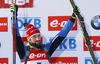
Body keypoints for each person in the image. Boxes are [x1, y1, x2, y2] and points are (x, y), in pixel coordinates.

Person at [10, 4, 79, 64]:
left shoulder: (46, 49)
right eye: (34, 36)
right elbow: (16, 35)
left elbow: (60, 36)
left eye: (38, 35)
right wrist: (14, 17)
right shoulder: (24, 51)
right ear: (29, 39)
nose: (37, 38)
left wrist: (72, 18)